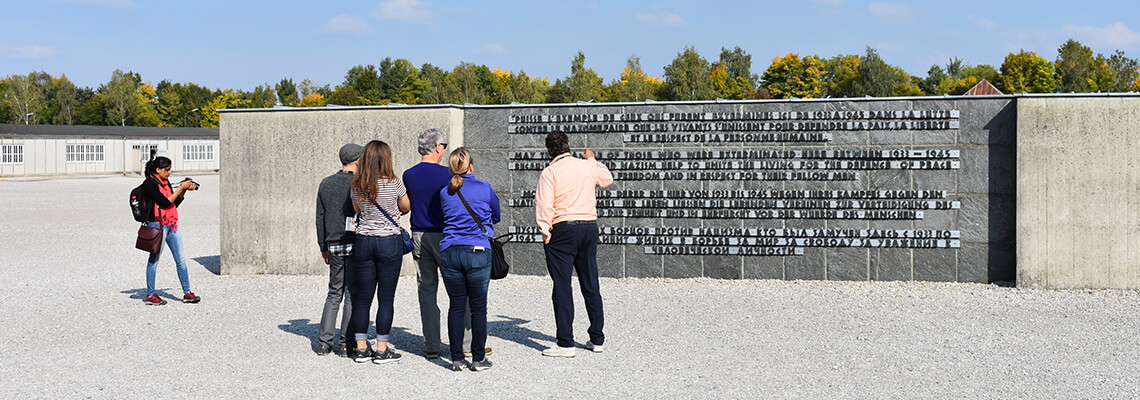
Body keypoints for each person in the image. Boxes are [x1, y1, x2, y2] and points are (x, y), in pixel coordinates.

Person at [402, 128, 490, 360]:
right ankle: (467, 344)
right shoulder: (447, 176)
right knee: (462, 292)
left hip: (419, 235)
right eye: (444, 145)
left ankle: (431, 345)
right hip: (446, 237)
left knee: (426, 291)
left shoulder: (408, 175)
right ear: (437, 147)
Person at [534, 132, 612, 357]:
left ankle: (566, 343)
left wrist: (544, 231)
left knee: (562, 286)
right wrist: (592, 159)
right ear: (569, 146)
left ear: (549, 151)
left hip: (563, 229)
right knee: (590, 283)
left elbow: (544, 204)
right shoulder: (587, 166)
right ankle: (597, 338)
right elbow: (606, 179)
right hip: (588, 227)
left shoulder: (550, 172)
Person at [438, 147, 500, 371]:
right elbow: (497, 215)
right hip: (477, 251)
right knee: (478, 308)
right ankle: (478, 358)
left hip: (450, 251)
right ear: (470, 166)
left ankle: (456, 358)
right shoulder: (484, 188)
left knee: (455, 306)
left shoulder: (445, 191)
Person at [348, 140, 410, 364]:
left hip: (363, 240)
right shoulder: (394, 182)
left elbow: (356, 210)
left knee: (362, 298)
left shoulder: (357, 183)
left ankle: (362, 348)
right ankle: (382, 349)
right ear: (386, 158)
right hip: (388, 242)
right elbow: (406, 206)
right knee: (386, 298)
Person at [314, 143, 361, 356]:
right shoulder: (359, 183)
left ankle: (324, 343)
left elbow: (320, 218)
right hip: (355, 242)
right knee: (351, 293)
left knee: (334, 292)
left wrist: (322, 245)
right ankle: (346, 342)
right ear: (358, 160)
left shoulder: (326, 183)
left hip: (333, 244)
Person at [140, 156, 201, 306]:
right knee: (154, 260)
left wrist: (183, 191)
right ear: (157, 170)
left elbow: (174, 203)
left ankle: (187, 293)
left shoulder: (166, 182)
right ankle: (150, 294)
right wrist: (180, 187)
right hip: (157, 226)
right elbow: (163, 201)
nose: (169, 172)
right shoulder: (149, 184)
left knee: (181, 260)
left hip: (171, 225)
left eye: (170, 169)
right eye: (166, 170)